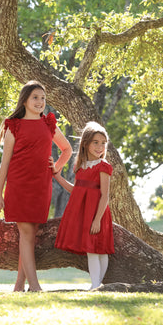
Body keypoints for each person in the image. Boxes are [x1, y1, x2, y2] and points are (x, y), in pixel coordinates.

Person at [0, 80, 72, 292]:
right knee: (26, 235)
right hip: (19, 186)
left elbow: (67, 150)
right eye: (35, 97)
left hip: (41, 186)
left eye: (43, 98)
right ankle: (34, 286)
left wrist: (55, 168)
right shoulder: (13, 126)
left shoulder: (48, 124)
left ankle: (19, 285)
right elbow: (4, 163)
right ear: (25, 100)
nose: (40, 102)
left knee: (29, 236)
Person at [52, 121, 114, 290]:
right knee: (91, 250)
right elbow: (76, 191)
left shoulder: (104, 166)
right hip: (83, 213)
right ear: (86, 143)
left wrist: (97, 220)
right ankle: (97, 284)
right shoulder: (80, 166)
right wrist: (57, 177)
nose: (100, 147)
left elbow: (105, 195)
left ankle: (96, 285)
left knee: (100, 249)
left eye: (103, 143)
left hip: (97, 213)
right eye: (96, 142)